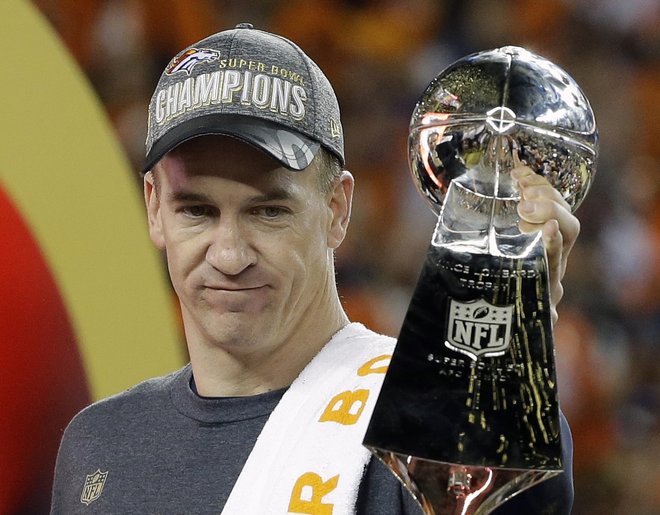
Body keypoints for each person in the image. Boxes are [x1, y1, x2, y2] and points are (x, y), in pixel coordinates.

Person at [51, 24, 577, 514]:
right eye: (197, 211)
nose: (229, 255)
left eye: (268, 211)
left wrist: (506, 359)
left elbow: (511, 498)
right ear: (153, 208)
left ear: (337, 209)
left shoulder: (426, 417)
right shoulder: (99, 443)